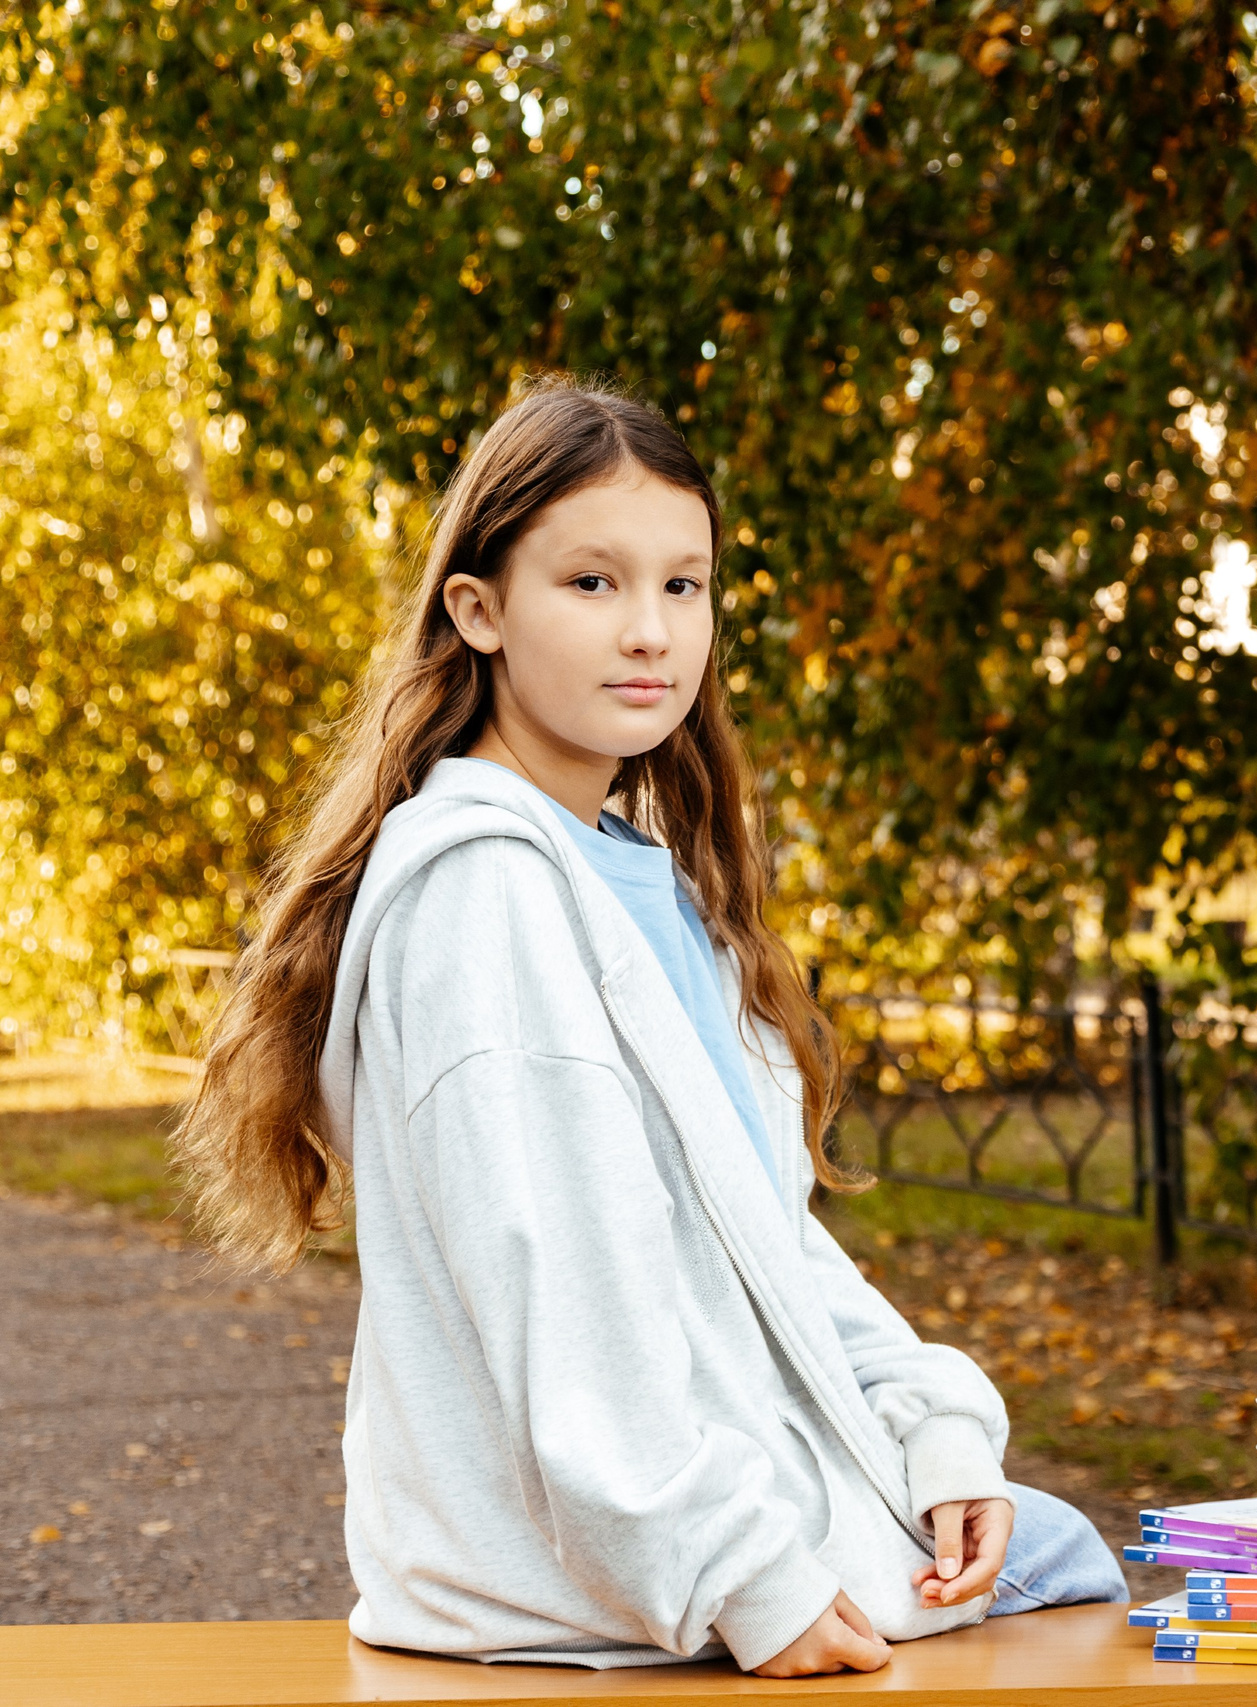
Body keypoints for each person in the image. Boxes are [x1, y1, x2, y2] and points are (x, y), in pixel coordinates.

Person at [171, 379, 1123, 1673]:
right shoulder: (483, 891)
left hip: (726, 1512)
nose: (649, 632)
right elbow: (556, 1298)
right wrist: (742, 1580)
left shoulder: (649, 880)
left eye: (685, 586)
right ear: (479, 609)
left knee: (1064, 1554)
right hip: (606, 1577)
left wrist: (935, 1431)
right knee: (1101, 1601)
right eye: (593, 583)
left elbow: (766, 1250)